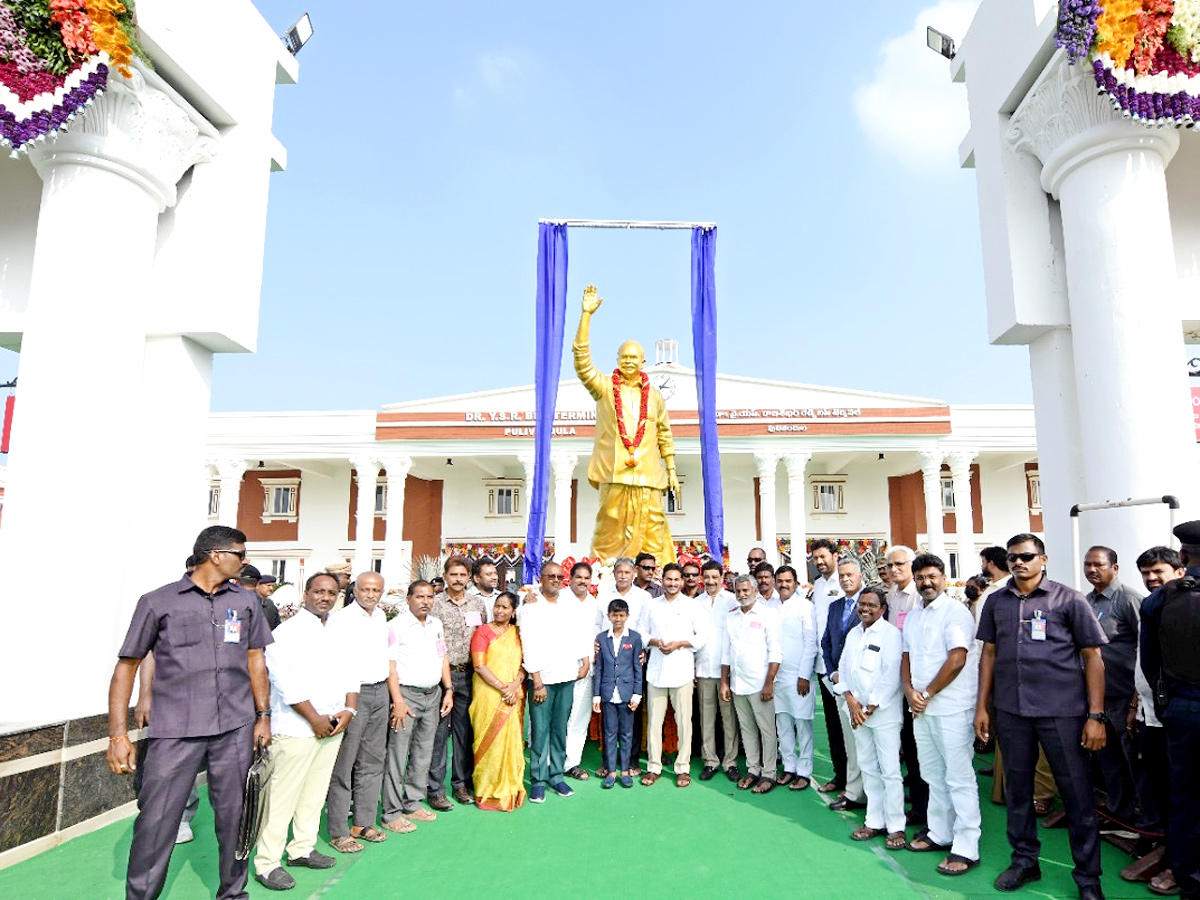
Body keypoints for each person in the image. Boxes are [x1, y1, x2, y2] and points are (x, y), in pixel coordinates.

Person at [107, 527, 272, 900]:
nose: (245, 561)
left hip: (235, 727)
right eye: (239, 554)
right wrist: (118, 736)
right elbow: (126, 668)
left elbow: (255, 659)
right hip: (175, 731)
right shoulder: (158, 602)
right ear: (215, 555)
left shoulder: (245, 603)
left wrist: (263, 716)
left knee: (235, 819)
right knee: (157, 822)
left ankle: (233, 893)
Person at [975, 533, 1108, 900]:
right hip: (1012, 711)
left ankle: (1088, 878)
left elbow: (1093, 657)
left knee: (1077, 797)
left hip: (1063, 713)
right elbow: (988, 654)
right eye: (1012, 557)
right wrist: (982, 706)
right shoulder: (996, 602)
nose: (1019, 562)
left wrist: (1096, 715)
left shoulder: (1069, 599)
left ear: (1043, 558)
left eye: (1027, 556)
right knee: (1018, 792)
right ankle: (1024, 861)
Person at [254, 573, 359, 890]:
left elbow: (351, 670)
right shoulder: (286, 632)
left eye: (331, 592)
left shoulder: (340, 628)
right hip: (297, 726)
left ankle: (301, 848)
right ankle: (266, 863)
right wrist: (313, 718)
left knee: (314, 794)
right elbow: (285, 682)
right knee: (282, 799)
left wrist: (349, 710)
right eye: (319, 592)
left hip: (334, 723)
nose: (325, 597)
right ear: (306, 593)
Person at [573, 283, 679, 564]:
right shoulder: (605, 388)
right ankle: (601, 577)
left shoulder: (655, 397)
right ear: (617, 360)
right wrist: (586, 316)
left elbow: (664, 435)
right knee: (608, 531)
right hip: (614, 472)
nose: (630, 361)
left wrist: (671, 470)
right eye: (625, 357)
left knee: (653, 532)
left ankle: (658, 578)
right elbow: (582, 363)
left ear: (644, 362)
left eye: (635, 357)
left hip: (649, 476)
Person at [901, 553, 982, 876]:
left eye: (932, 576)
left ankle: (966, 846)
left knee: (959, 778)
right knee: (932, 774)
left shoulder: (955, 612)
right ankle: (940, 832)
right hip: (921, 707)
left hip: (950, 707)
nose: (926, 583)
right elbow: (906, 655)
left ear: (944, 578)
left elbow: (957, 659)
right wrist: (910, 692)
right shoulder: (914, 614)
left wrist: (928, 693)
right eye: (920, 577)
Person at [1140, 522, 1200, 900]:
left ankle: (1190, 879)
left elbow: (1150, 665)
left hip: (1183, 710)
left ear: (1182, 557)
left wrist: (1168, 704)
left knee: (1187, 798)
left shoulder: (1160, 600)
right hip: (1182, 706)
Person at [1123, 545, 1186, 894]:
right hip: (1151, 718)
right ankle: (1172, 853)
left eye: (1157, 572)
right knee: (1163, 795)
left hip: (1177, 722)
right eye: (1146, 573)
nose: (1151, 579)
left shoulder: (1182, 610)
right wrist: (1135, 707)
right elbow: (1144, 666)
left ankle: (1181, 866)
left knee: (1183, 799)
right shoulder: (1152, 608)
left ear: (1179, 571)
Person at [1082, 545, 1154, 832]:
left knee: (1136, 762)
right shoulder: (1087, 601)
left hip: (1127, 696)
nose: (1091, 570)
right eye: (1087, 565)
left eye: (1098, 564)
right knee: (1108, 758)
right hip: (1100, 697)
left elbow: (1146, 649)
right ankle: (1119, 812)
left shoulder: (1130, 600)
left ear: (1115, 567)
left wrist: (1136, 701)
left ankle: (1149, 821)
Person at [325, 572, 394, 853]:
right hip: (352, 694)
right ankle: (339, 830)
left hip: (380, 691)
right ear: (355, 590)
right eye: (364, 589)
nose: (370, 594)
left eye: (375, 590)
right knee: (345, 763)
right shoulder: (341, 620)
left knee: (373, 760)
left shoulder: (380, 617)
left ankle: (363, 822)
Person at [380, 581, 454, 833]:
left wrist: (449, 690)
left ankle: (412, 802)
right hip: (406, 697)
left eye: (430, 597)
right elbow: (390, 666)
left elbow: (442, 656)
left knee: (424, 751)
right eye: (419, 596)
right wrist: (398, 701)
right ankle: (391, 813)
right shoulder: (395, 626)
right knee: (398, 754)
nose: (425, 601)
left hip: (433, 695)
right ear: (408, 598)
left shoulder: (436, 624)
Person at [842, 586, 906, 851]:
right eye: (862, 604)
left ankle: (896, 826)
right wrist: (851, 700)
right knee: (868, 767)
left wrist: (869, 707)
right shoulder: (853, 633)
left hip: (883, 714)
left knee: (890, 771)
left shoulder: (891, 635)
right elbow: (844, 669)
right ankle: (874, 820)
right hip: (857, 713)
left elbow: (892, 674)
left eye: (871, 605)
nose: (865, 608)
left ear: (882, 609)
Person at [521, 561, 587, 802]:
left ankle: (556, 775)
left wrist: (584, 659)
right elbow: (528, 643)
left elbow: (578, 635)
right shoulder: (531, 606)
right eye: (551, 576)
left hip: (566, 675)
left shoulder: (569, 604)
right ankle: (538, 779)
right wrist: (536, 680)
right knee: (540, 730)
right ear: (541, 578)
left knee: (561, 729)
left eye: (560, 576)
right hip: (543, 679)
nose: (556, 580)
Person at [427, 555, 488, 809]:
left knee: (464, 732)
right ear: (445, 576)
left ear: (469, 577)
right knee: (440, 734)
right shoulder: (435, 604)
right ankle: (435, 788)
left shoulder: (477, 604)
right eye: (454, 575)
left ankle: (461, 784)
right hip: (442, 676)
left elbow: (483, 636)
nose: (458, 579)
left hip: (469, 675)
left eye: (463, 575)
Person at [642, 562, 708, 788]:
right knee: (654, 723)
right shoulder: (652, 605)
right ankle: (654, 766)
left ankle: (682, 767)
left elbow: (702, 637)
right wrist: (654, 641)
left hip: (682, 672)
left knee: (683, 723)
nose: (672, 583)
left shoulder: (692, 606)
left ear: (682, 582)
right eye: (668, 579)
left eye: (676, 580)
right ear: (662, 580)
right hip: (657, 672)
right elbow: (641, 632)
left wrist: (680, 643)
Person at [721, 574, 782, 794]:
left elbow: (775, 651)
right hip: (738, 684)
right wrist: (724, 682)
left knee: (766, 731)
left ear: (755, 591)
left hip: (760, 684)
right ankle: (753, 770)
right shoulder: (731, 617)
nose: (742, 594)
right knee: (747, 730)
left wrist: (769, 683)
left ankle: (769, 774)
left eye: (746, 590)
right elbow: (726, 651)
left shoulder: (768, 614)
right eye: (738, 591)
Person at [468, 591, 526, 810]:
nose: (500, 611)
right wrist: (503, 687)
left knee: (510, 740)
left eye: (505, 607)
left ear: (513, 611)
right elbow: (479, 665)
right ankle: (487, 790)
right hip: (488, 693)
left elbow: (524, 664)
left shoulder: (518, 633)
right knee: (487, 739)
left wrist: (514, 686)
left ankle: (510, 788)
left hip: (513, 693)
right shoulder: (483, 631)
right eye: (497, 606)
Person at [884, 544, 928, 826]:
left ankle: (925, 808)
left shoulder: (919, 597)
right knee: (906, 745)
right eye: (890, 566)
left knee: (919, 747)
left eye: (899, 564)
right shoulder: (891, 596)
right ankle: (916, 799)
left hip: (917, 680)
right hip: (896, 678)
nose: (894, 570)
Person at [823, 557, 869, 811]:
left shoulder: (871, 602)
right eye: (842, 576)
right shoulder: (835, 607)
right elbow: (826, 642)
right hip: (841, 685)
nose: (846, 579)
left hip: (866, 687)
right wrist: (833, 674)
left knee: (868, 744)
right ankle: (853, 792)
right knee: (850, 742)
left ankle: (872, 794)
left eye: (850, 574)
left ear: (861, 576)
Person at [774, 564, 818, 790]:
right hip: (777, 677)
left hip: (799, 676)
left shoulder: (805, 607)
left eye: (787, 581)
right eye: (779, 581)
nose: (783, 585)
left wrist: (804, 674)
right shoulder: (771, 606)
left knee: (803, 724)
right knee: (782, 723)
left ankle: (804, 770)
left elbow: (811, 642)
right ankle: (789, 767)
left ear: (796, 583)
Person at [695, 559, 740, 782]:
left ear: (722, 578)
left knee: (728, 718)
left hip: (727, 671)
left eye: (715, 577)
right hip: (703, 669)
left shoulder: (732, 601)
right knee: (706, 719)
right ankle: (710, 761)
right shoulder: (695, 603)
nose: (711, 581)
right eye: (707, 577)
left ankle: (730, 761)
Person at [593, 598, 645, 789]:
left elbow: (637, 668)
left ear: (627, 616)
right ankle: (611, 771)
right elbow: (599, 668)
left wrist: (637, 694)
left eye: (621, 615)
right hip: (607, 694)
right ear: (608, 616)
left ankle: (624, 771)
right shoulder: (601, 638)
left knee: (626, 733)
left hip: (627, 694)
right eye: (614, 615)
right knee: (609, 733)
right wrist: (596, 695)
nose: (618, 619)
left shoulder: (635, 638)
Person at [810, 539, 848, 795]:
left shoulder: (845, 581)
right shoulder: (818, 584)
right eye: (816, 558)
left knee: (850, 730)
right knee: (833, 727)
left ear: (835, 556)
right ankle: (840, 776)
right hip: (824, 666)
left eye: (824, 556)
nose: (820, 562)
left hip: (843, 665)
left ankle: (855, 783)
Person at [563, 561, 599, 781]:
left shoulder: (594, 603)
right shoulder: (560, 599)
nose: (583, 581)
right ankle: (553, 762)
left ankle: (571, 763)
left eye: (587, 578)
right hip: (565, 668)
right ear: (571, 578)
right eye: (579, 577)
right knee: (562, 717)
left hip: (589, 670)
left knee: (580, 718)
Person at [240, 565, 281, 631]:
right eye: (268, 585)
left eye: (272, 586)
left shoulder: (270, 605)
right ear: (258, 585)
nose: (271, 588)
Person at [468, 557, 502, 622]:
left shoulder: (501, 596)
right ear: (476, 578)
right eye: (489, 574)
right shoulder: (468, 597)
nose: (494, 577)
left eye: (495, 573)